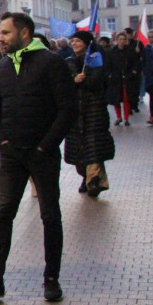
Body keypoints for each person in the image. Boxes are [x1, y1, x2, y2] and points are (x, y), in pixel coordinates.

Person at [0, 13, 76, 302]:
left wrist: (45, 146)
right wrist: (1, 139)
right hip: (11, 154)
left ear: (24, 33)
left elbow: (67, 109)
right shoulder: (3, 67)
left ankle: (51, 278)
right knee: (3, 214)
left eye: (5, 33)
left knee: (50, 215)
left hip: (43, 154)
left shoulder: (51, 63)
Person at [65, 31, 115, 197]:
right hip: (75, 112)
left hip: (94, 110)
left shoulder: (96, 60)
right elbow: (63, 83)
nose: (74, 44)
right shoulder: (69, 61)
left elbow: (97, 82)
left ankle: (94, 180)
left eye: (78, 41)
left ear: (86, 43)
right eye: (73, 41)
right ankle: (86, 176)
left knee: (93, 146)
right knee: (78, 149)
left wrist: (83, 80)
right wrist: (73, 80)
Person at [107, 32, 138, 126]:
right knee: (116, 99)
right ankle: (119, 117)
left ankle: (126, 118)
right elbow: (108, 65)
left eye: (124, 39)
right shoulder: (112, 52)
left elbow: (136, 63)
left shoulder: (131, 51)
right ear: (117, 40)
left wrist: (133, 72)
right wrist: (109, 74)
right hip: (116, 79)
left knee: (126, 99)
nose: (122, 41)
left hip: (127, 78)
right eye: (120, 39)